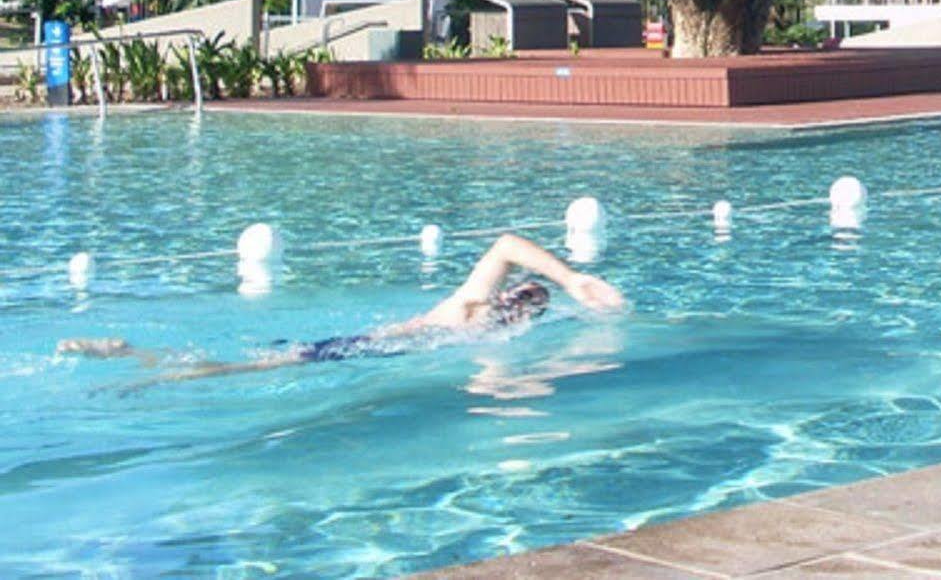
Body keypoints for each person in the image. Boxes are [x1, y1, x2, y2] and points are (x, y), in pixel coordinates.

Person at [59, 233, 625, 381]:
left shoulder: (497, 336)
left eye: (532, 304)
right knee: (237, 370)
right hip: (353, 351)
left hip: (363, 355)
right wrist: (571, 278)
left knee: (236, 364)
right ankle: (134, 359)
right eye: (525, 292)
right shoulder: (472, 308)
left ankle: (137, 358)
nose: (522, 302)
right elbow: (505, 245)